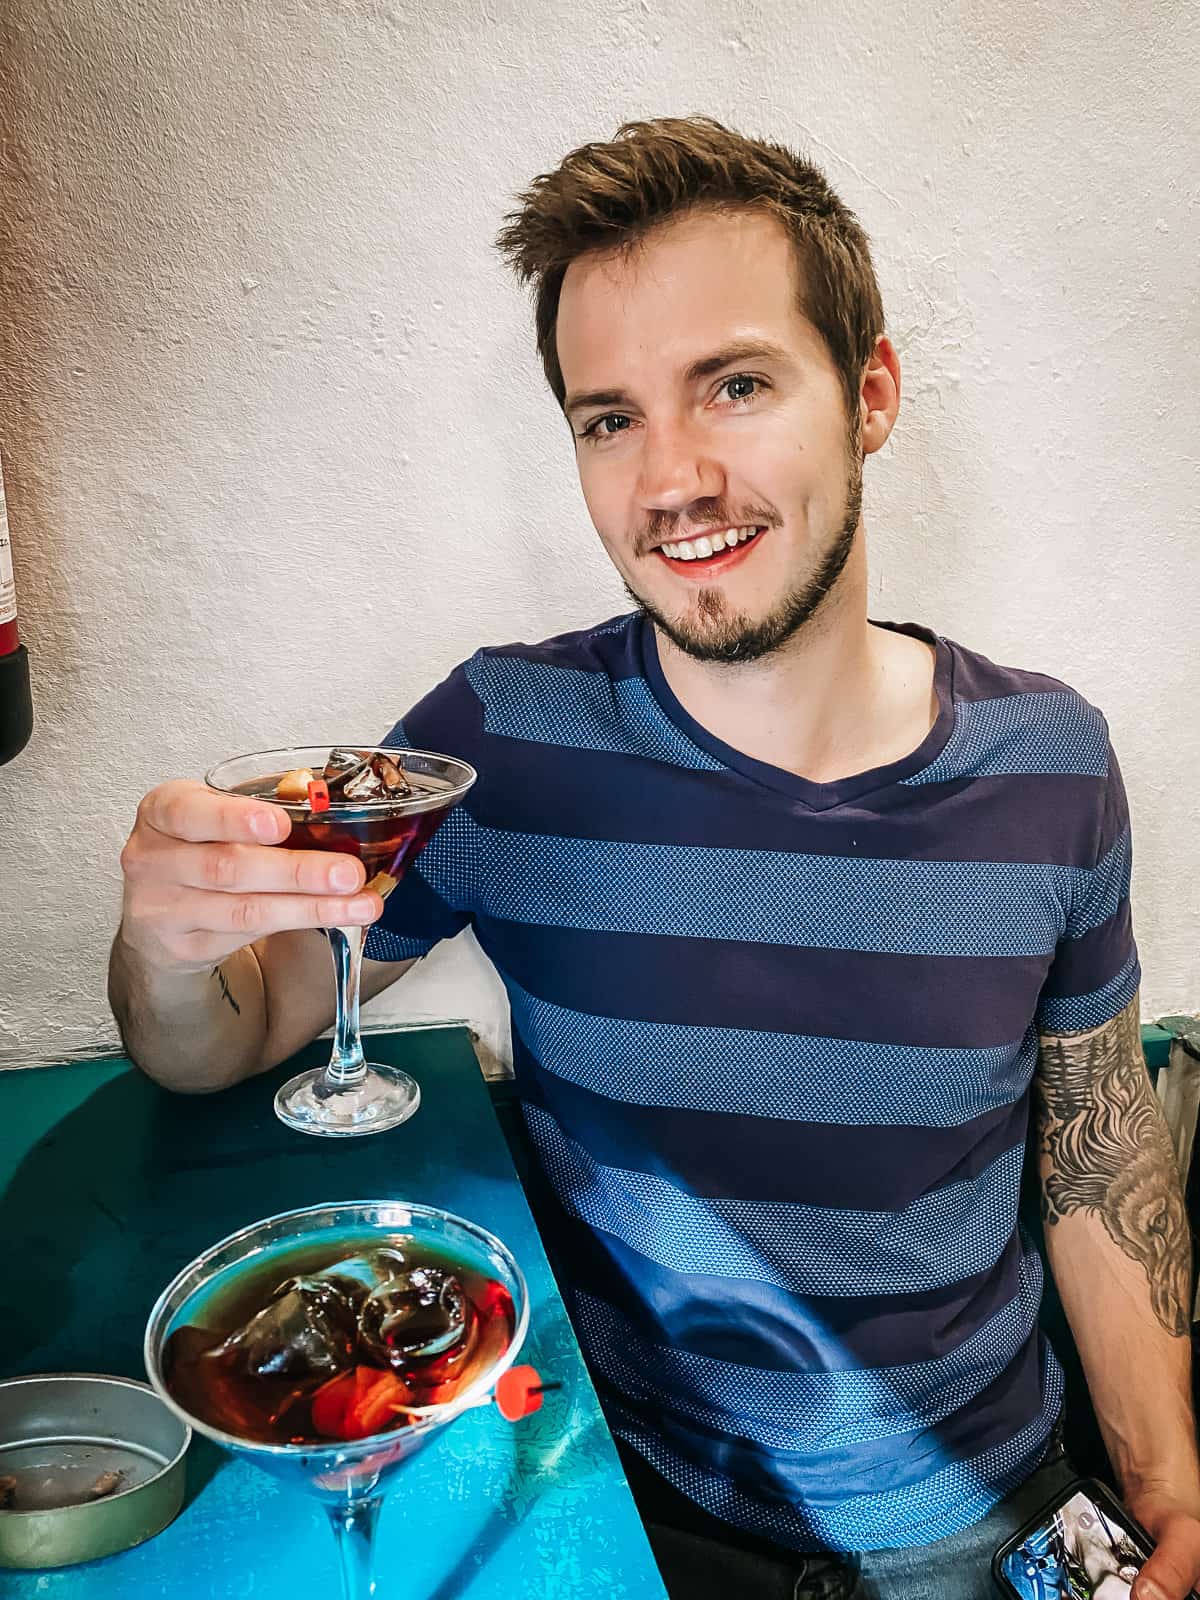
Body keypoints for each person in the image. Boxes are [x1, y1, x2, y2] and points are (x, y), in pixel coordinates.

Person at [108, 118, 1200, 1599]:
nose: (670, 478)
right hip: (636, 1520)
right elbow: (238, 1030)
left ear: (869, 393)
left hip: (989, 1520)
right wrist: (169, 943)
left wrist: (1166, 1487)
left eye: (735, 386)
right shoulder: (500, 738)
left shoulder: (1055, 762)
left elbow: (1098, 1157)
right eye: (607, 418)